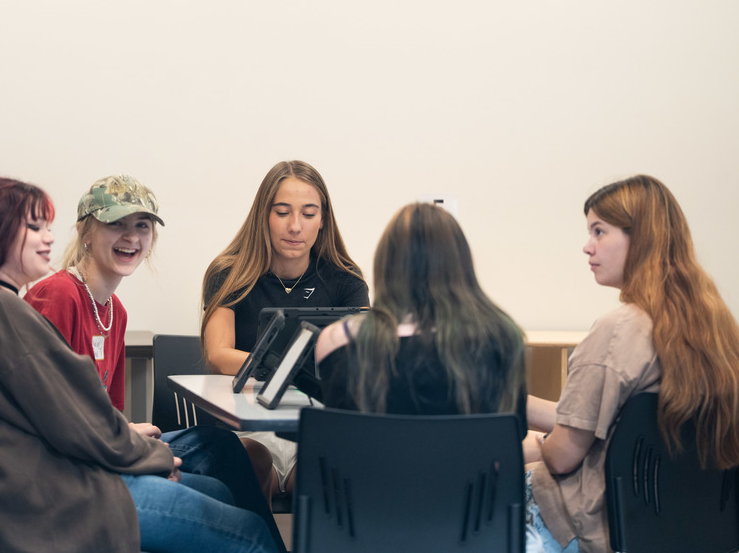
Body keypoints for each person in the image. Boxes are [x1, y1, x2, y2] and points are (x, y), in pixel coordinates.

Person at [0, 176, 279, 553]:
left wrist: (142, 451)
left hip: (50, 478)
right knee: (248, 532)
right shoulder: (4, 310)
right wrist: (153, 457)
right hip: (60, 495)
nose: (49, 238)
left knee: (218, 475)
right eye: (34, 228)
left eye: (47, 227)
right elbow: (72, 421)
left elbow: (84, 415)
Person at [524, 175, 739, 553]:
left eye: (599, 231)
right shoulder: (718, 329)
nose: (587, 247)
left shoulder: (618, 330)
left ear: (639, 238)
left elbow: (561, 456)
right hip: (681, 527)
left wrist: (535, 443)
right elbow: (610, 422)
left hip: (597, 526)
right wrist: (519, 406)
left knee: (477, 486)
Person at [200, 160, 370, 500]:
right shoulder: (230, 272)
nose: (295, 226)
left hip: (314, 426)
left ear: (323, 221)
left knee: (333, 471)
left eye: (308, 214)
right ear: (264, 216)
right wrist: (293, 368)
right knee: (252, 462)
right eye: (282, 212)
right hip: (246, 425)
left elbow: (366, 354)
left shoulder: (346, 279)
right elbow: (218, 355)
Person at [314, 202, 527, 428]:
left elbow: (338, 439)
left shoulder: (338, 340)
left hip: (374, 463)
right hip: (468, 464)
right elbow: (512, 434)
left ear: (386, 264)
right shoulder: (503, 338)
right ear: (460, 265)